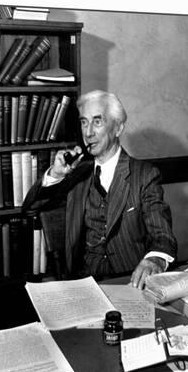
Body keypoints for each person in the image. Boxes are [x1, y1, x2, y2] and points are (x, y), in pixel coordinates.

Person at [22, 90, 177, 289]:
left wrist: (154, 260)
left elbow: (162, 235)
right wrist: (57, 174)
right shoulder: (76, 174)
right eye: (84, 122)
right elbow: (30, 208)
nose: (88, 133)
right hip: (82, 283)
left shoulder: (144, 175)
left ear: (118, 128)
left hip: (129, 283)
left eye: (97, 122)